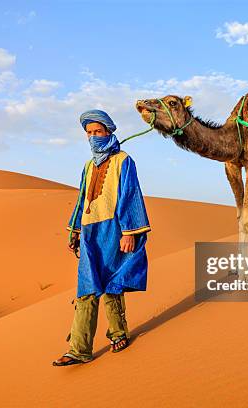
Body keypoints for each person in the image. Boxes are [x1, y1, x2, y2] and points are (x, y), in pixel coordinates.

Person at [53, 109, 151, 366]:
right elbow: (82, 196)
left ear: (109, 132)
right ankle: (79, 349)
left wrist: (129, 232)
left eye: (98, 131)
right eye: (89, 133)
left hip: (113, 229)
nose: (94, 137)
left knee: (110, 285)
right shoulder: (88, 166)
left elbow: (130, 195)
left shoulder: (124, 160)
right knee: (86, 287)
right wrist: (75, 229)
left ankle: (119, 333)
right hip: (89, 230)